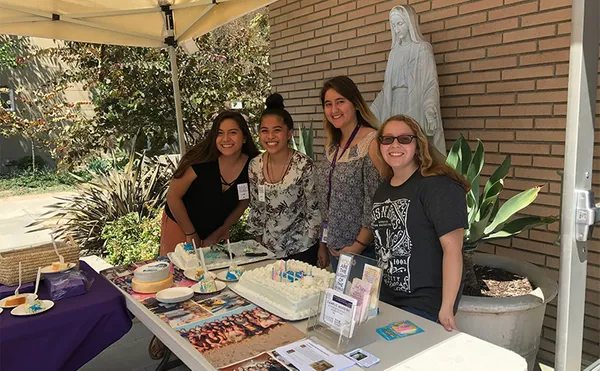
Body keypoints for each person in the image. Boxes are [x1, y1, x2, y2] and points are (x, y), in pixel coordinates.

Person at [371, 114, 469, 331]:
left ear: (418, 144)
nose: (395, 144)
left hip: (423, 305)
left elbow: (453, 249)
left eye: (404, 139)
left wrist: (446, 307)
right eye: (387, 139)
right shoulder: (383, 188)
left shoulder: (438, 187)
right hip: (387, 300)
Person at [160, 111, 260, 256]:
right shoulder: (200, 160)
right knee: (178, 271)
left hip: (214, 231)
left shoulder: (253, 165)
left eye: (233, 132)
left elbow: (243, 201)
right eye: (220, 133)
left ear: (244, 137)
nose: (226, 139)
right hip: (180, 224)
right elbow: (173, 196)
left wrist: (222, 230)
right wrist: (190, 233)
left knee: (211, 273)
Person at [314, 76, 385, 270]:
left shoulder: (371, 143)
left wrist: (357, 246)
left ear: (355, 103)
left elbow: (375, 201)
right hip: (335, 248)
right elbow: (326, 200)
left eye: (340, 102)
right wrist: (323, 244)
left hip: (363, 252)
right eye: (328, 104)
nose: (334, 110)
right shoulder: (332, 145)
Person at [247, 93, 321, 265]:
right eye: (264, 131)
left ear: (289, 134)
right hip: (267, 249)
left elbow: (314, 210)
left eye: (277, 130)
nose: (270, 136)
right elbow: (257, 207)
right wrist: (256, 244)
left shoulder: (304, 165)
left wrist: (317, 244)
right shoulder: (255, 165)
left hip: (302, 249)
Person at [370, 5, 446, 154]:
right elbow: (386, 90)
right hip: (393, 106)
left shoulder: (422, 49)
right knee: (394, 146)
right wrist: (369, 111)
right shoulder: (394, 53)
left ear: (410, 22)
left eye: (400, 23)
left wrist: (429, 106)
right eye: (393, 25)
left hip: (413, 105)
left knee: (413, 147)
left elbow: (430, 84)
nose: (397, 29)